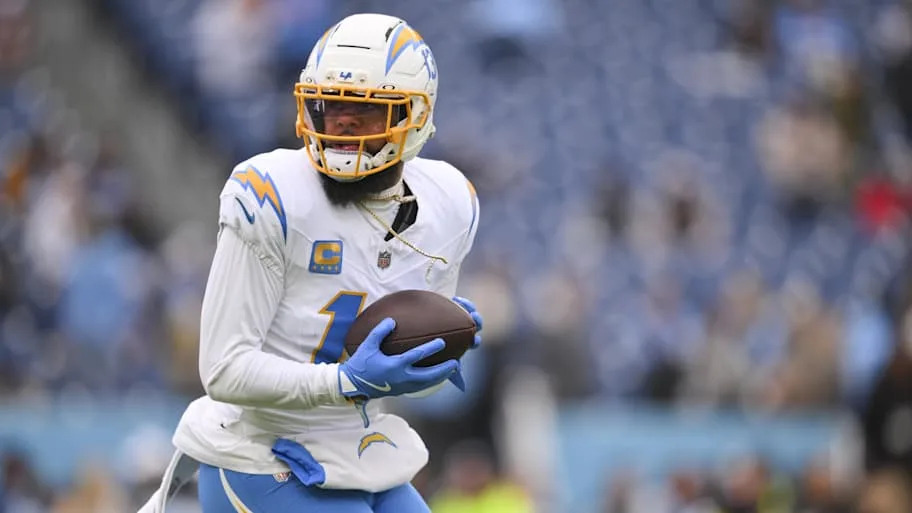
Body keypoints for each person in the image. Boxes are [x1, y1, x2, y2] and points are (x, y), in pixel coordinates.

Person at [138, 12, 482, 513]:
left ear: (415, 116)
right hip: (258, 452)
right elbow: (224, 370)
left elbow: (407, 385)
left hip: (357, 447)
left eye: (365, 113)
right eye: (330, 108)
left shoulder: (449, 201)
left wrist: (434, 357)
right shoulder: (271, 194)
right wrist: (345, 382)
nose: (342, 127)